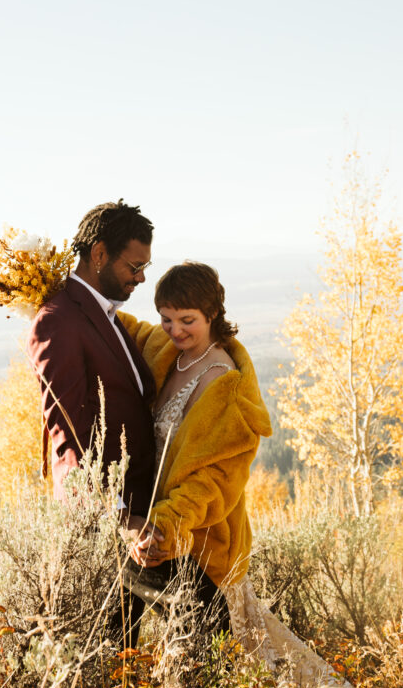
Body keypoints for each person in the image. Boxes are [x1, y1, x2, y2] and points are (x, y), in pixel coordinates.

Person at [118, 262, 273, 634]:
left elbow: (213, 482)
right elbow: (122, 328)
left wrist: (164, 528)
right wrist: (50, 289)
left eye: (187, 320)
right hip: (149, 527)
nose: (175, 330)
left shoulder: (226, 386)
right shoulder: (166, 348)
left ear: (213, 313)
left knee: (214, 662)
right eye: (166, 318)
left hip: (198, 541)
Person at [26, 197, 156, 521]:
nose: (141, 278)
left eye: (145, 268)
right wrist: (118, 518)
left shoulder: (102, 312)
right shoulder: (58, 320)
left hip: (139, 516)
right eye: (135, 267)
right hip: (105, 527)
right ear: (99, 254)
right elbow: (67, 433)